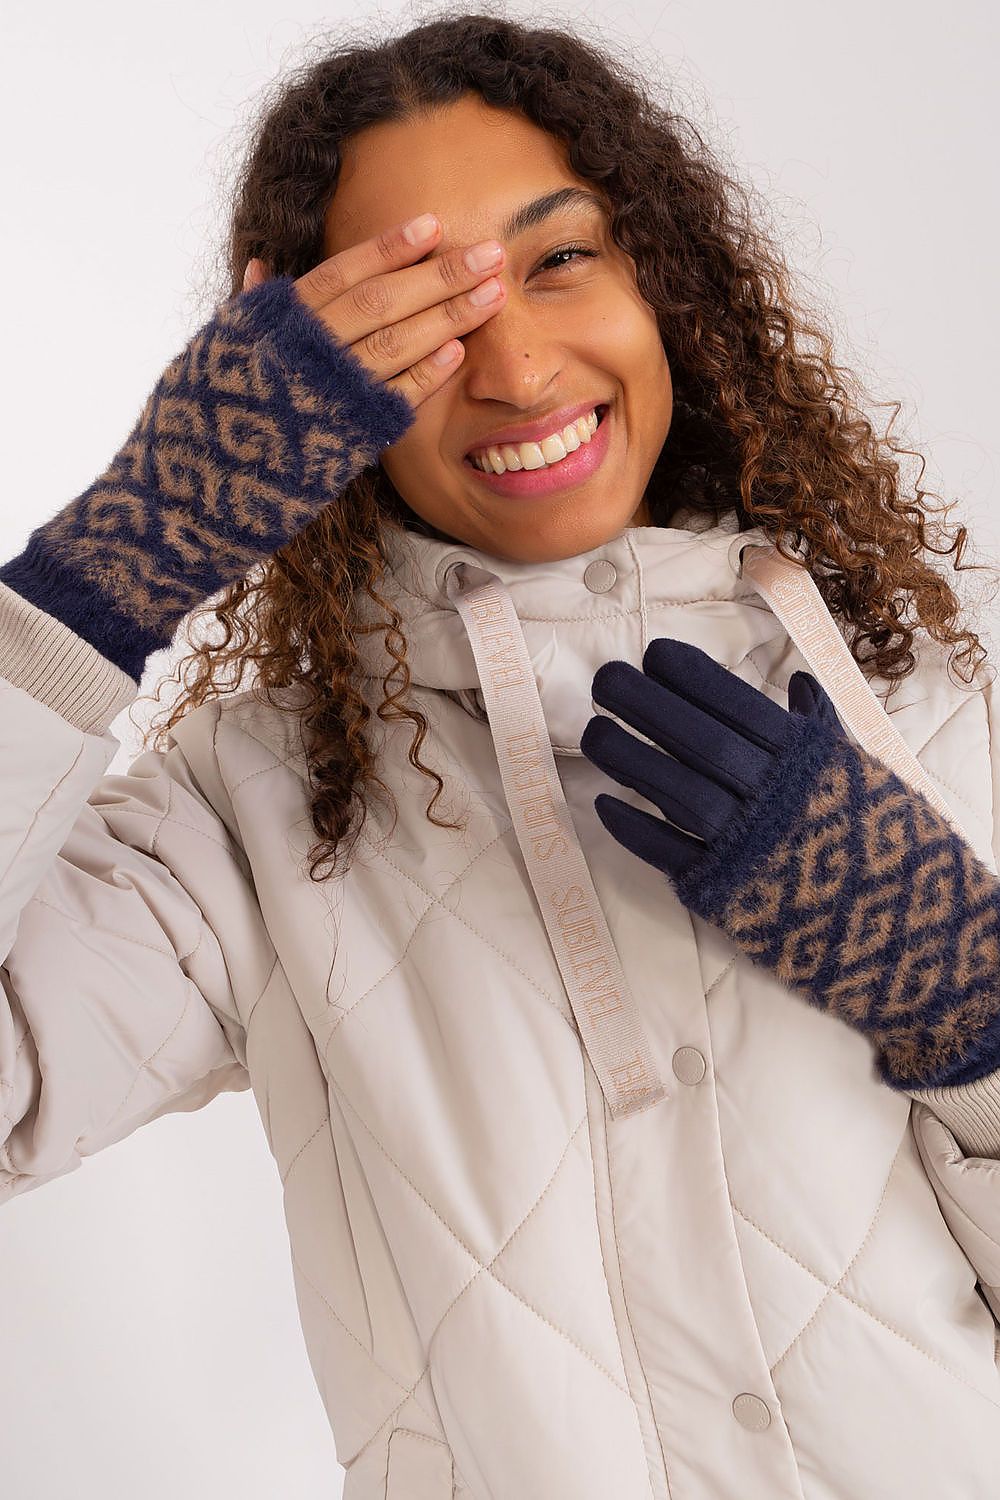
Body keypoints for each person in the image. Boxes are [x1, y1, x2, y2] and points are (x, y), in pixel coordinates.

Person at [2, 13, 999, 1498]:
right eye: (422, 317)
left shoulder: (952, 692)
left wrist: (971, 1009)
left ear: (665, 278)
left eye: (560, 259)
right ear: (310, 378)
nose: (520, 371)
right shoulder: (258, 800)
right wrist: (98, 583)